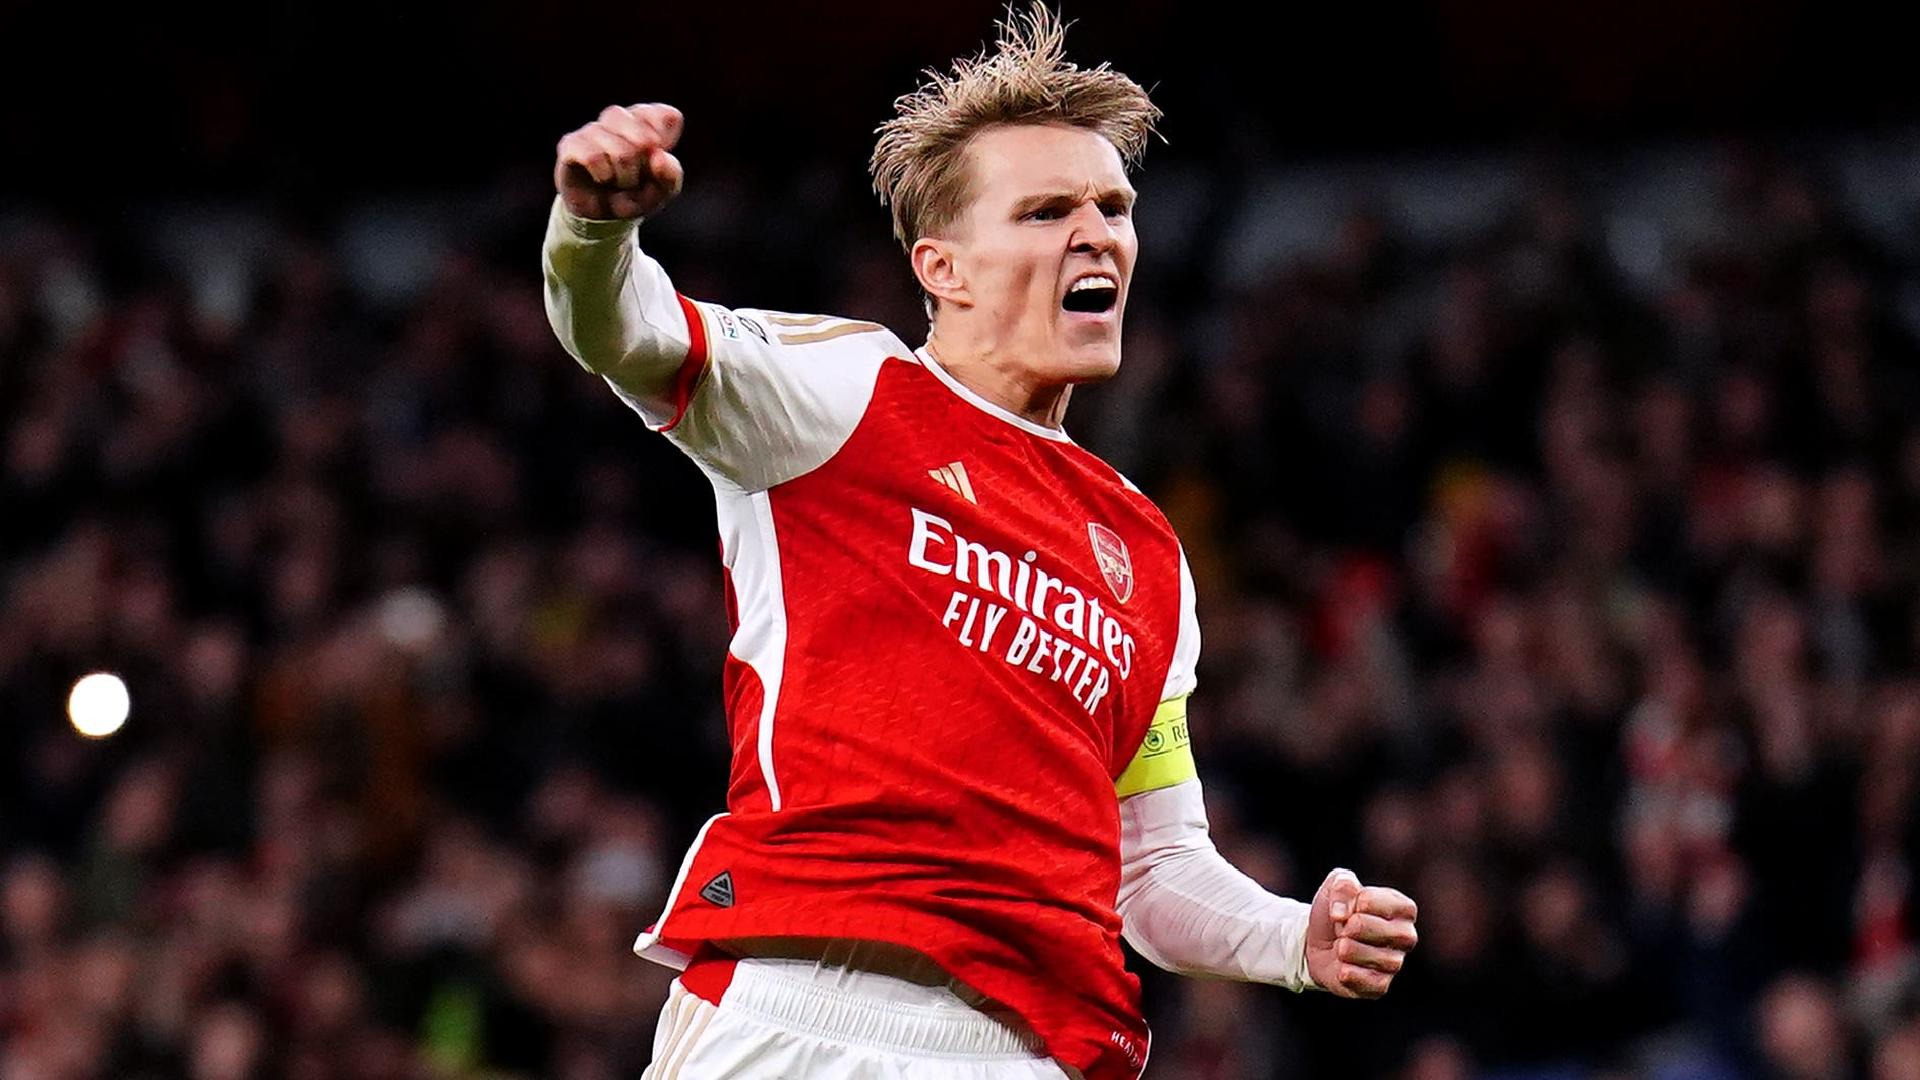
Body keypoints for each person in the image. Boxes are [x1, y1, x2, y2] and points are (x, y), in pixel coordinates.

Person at [540, 5, 1418, 1078]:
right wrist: (594, 231)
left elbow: (1154, 864)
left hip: (1032, 1050)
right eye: (1047, 211)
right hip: (805, 1011)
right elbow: (624, 331)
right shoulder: (842, 394)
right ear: (942, 268)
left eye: (1114, 206)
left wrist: (1291, 939)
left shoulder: (1145, 553)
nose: (1096, 231)